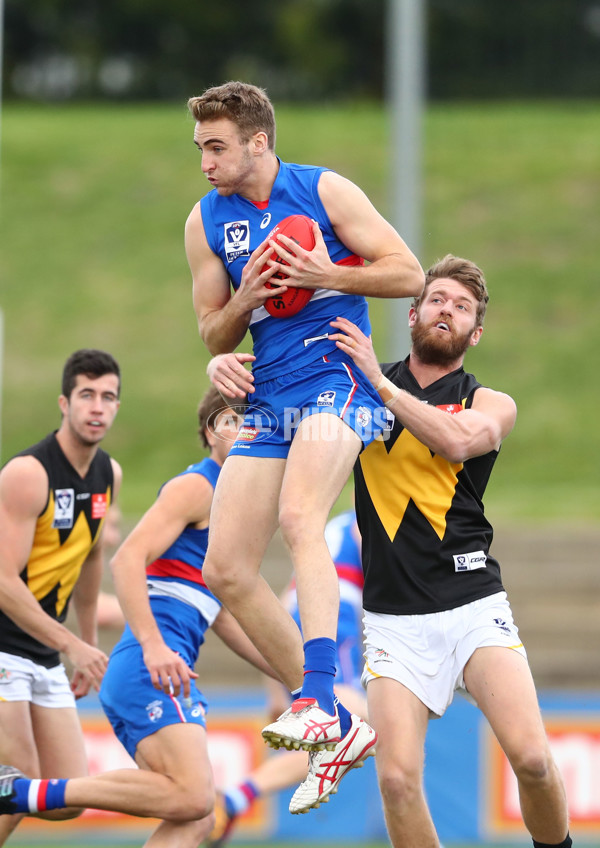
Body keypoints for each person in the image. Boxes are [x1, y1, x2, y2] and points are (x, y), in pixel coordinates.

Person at [185, 80, 424, 765]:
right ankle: (332, 715)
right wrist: (246, 302)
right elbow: (211, 333)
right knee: (226, 568)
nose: (204, 161)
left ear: (258, 142)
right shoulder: (204, 221)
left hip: (339, 380)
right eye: (200, 147)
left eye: (216, 147)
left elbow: (407, 273)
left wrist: (329, 274)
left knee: (299, 518)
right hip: (272, 396)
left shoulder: (324, 192)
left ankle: (320, 696)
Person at [325, 254, 573, 848]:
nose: (447, 311)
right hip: (391, 618)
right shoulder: (356, 384)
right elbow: (280, 406)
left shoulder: (489, 402)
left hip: (472, 603)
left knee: (534, 760)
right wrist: (233, 369)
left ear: (475, 334)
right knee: (397, 783)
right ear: (413, 312)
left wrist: (380, 388)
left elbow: (460, 442)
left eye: (462, 307)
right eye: (437, 299)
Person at [0, 387, 281, 848]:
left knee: (192, 816)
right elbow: (125, 559)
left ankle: (26, 792)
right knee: (194, 798)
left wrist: (303, 678)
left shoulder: (234, 508)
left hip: (167, 670)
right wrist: (153, 645)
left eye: (258, 422)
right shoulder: (199, 486)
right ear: (212, 432)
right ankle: (25, 791)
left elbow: (225, 616)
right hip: (150, 666)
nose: (250, 430)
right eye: (235, 420)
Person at [0, 349, 122, 845]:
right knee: (19, 779)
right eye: (86, 395)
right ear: (64, 403)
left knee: (68, 798)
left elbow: (91, 559)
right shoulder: (28, 472)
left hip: (44, 651)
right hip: (4, 644)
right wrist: (72, 644)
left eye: (108, 397)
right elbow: (4, 581)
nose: (97, 407)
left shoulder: (107, 475)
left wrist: (86, 645)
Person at [207, 509, 373, 846]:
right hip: (333, 621)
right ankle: (236, 797)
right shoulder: (367, 518)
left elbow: (282, 606)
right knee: (355, 724)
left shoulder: (331, 532)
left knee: (339, 732)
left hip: (300, 620)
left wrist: (276, 694)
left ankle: (236, 799)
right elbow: (386, 572)